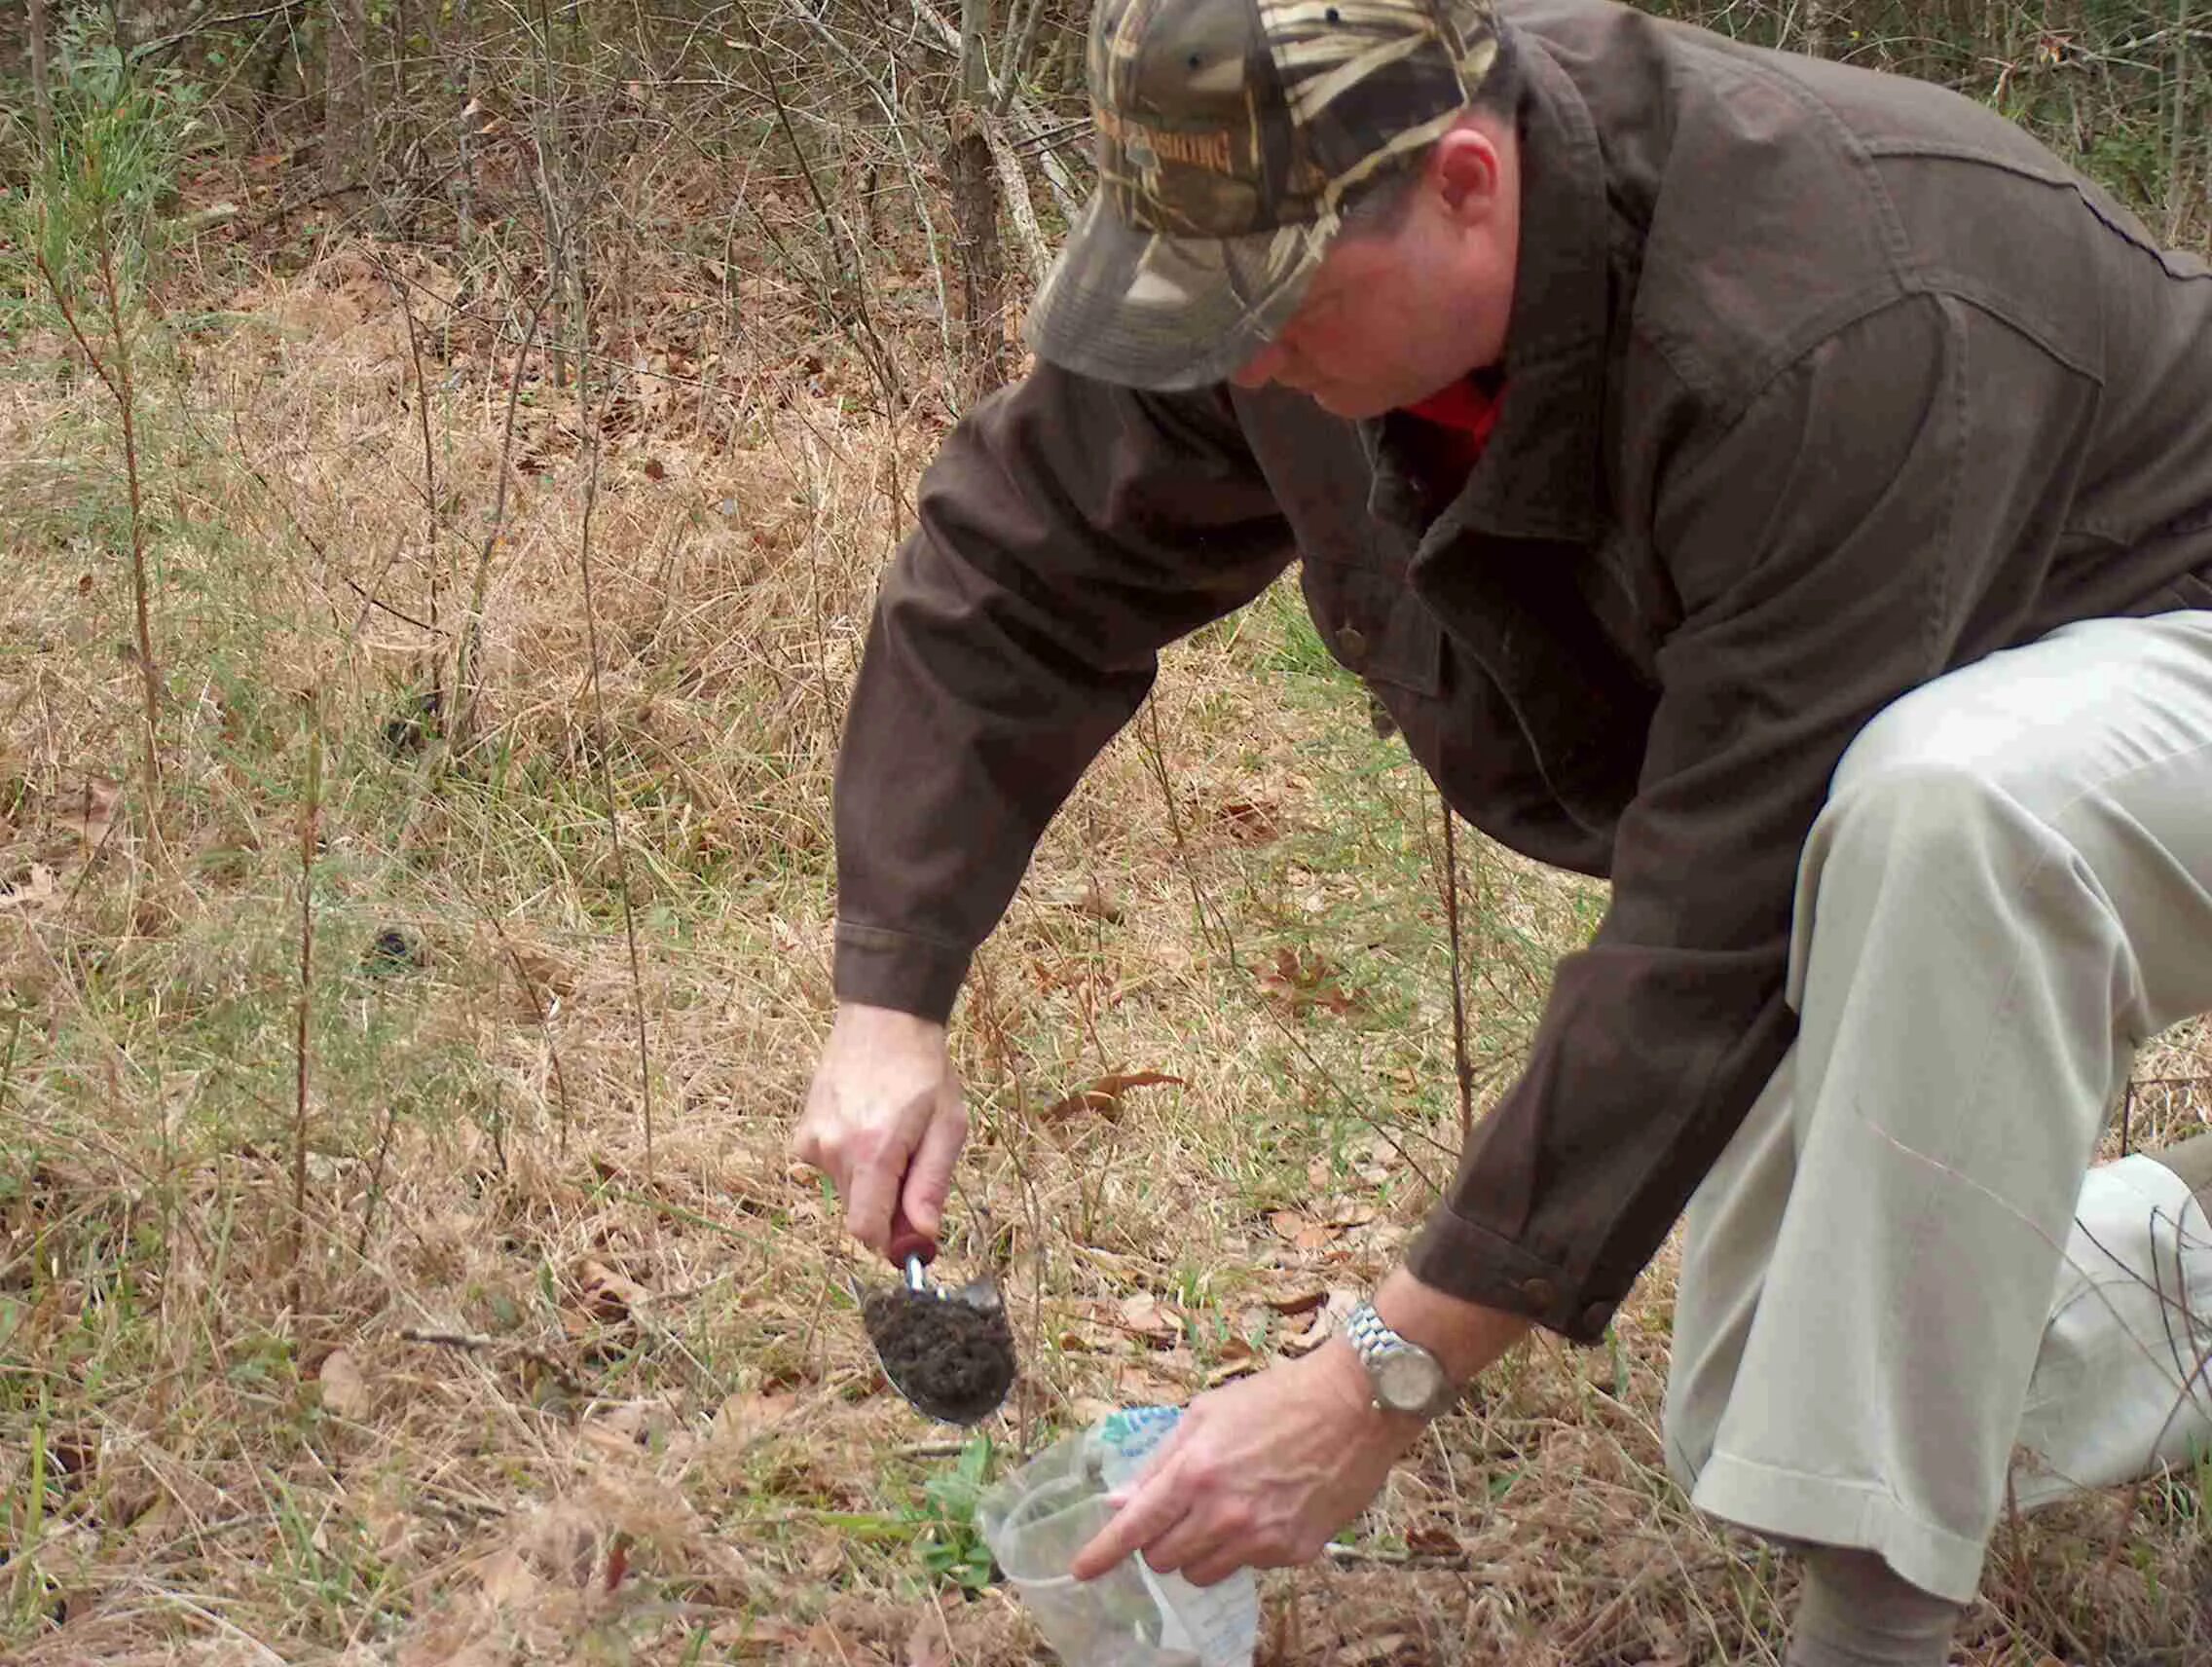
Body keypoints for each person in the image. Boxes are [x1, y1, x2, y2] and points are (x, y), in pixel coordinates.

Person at [790, 0, 2212, 1659]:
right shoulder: (1283, 235)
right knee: (1782, 1390)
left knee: (1947, 800)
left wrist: (1380, 1373)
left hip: (2149, 660)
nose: (1240, 362)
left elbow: (1717, 915)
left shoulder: (1824, 310)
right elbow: (1023, 564)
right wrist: (890, 996)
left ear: (1469, 184)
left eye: (1273, 312)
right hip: (1907, 732)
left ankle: (1875, 1633)